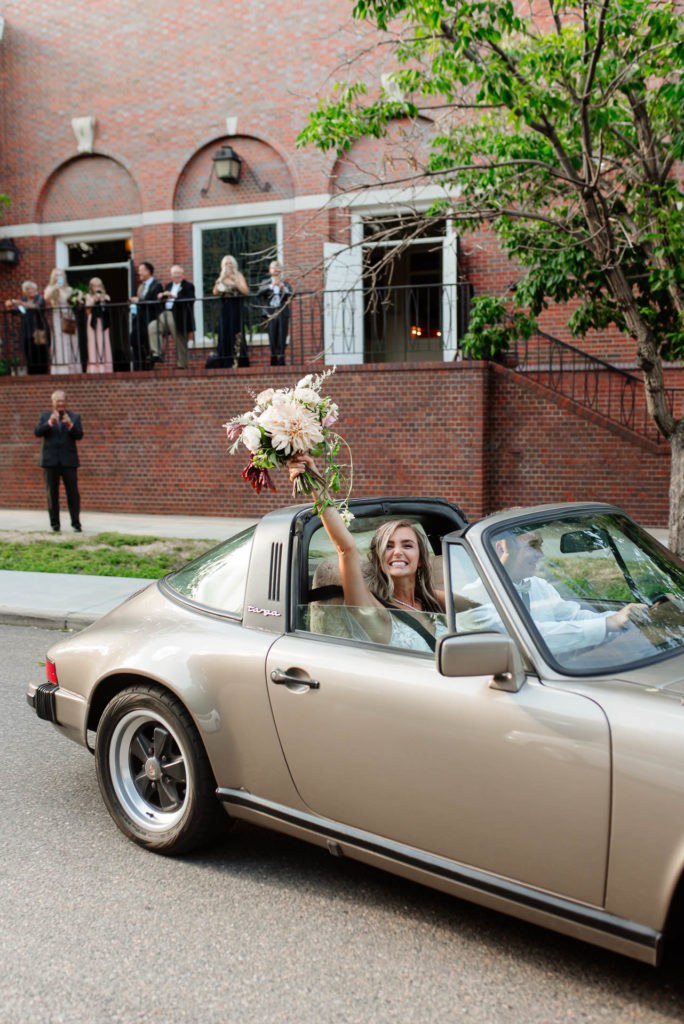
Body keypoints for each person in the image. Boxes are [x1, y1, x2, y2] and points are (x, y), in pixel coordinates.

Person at [288, 453, 446, 650]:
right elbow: (346, 549)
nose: (397, 552)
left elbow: (482, 604)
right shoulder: (375, 612)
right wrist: (315, 480)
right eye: (388, 547)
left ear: (421, 559)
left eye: (407, 545)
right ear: (380, 561)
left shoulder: (435, 601)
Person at [458, 528, 646, 656]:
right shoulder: (469, 600)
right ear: (502, 548)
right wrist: (608, 623)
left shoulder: (538, 585)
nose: (541, 554)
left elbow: (574, 617)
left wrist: (632, 619)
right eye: (533, 545)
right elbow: (533, 637)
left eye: (540, 545)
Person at [34, 389, 83, 533]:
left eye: (62, 401)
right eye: (57, 401)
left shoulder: (74, 417)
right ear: (53, 403)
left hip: (69, 461)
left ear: (65, 402)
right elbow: (37, 432)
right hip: (50, 462)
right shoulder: (44, 416)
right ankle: (55, 524)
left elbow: (79, 435)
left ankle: (76, 523)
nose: (60, 403)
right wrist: (50, 423)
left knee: (73, 493)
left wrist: (70, 425)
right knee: (52, 493)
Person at [148, 265, 196, 368]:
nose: (176, 276)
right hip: (165, 316)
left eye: (178, 274)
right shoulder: (168, 286)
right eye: (174, 274)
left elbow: (190, 299)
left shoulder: (188, 286)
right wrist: (161, 297)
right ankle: (157, 353)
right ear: (171, 275)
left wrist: (174, 296)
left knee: (179, 338)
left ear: (183, 275)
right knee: (152, 326)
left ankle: (182, 365)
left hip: (179, 317)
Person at [207, 255, 250, 369]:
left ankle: (238, 360)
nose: (228, 265)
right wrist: (221, 279)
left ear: (234, 264)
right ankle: (225, 360)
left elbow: (246, 291)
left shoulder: (238, 276)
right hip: (225, 307)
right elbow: (215, 292)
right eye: (226, 263)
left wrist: (235, 281)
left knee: (236, 331)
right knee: (224, 331)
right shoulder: (221, 277)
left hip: (236, 307)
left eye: (230, 263)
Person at [5, 282, 49, 374]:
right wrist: (9, 305)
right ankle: (32, 373)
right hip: (27, 331)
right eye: (29, 289)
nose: (31, 291)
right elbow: (16, 311)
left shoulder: (39, 298)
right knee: (29, 354)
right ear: (25, 291)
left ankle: (43, 373)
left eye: (33, 289)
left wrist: (20, 302)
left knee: (41, 353)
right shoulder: (24, 299)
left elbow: (36, 306)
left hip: (39, 330)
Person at [44, 268, 80, 375]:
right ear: (53, 277)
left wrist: (77, 300)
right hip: (58, 317)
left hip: (69, 316)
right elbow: (46, 297)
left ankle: (73, 367)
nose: (59, 277)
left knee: (72, 341)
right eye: (57, 275)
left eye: (61, 275)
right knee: (60, 341)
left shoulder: (69, 289)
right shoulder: (51, 288)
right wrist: (56, 287)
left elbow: (75, 302)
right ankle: (61, 368)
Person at [257, 261, 293, 366]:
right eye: (274, 267)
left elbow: (291, 294)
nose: (276, 269)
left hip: (282, 312)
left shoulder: (285, 283)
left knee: (282, 335)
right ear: (270, 270)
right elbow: (259, 293)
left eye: (278, 267)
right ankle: (273, 359)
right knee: (272, 336)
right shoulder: (266, 282)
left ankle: (281, 359)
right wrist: (272, 286)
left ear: (280, 270)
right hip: (270, 313)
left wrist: (283, 288)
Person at [129, 261, 163, 369]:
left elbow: (154, 302)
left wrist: (139, 300)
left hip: (150, 318)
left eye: (141, 270)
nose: (139, 273)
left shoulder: (157, 286)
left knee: (148, 343)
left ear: (148, 271)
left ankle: (149, 366)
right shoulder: (140, 287)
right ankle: (139, 364)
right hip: (139, 318)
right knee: (134, 340)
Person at [84, 277, 113, 373]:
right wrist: (94, 301)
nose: (96, 287)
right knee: (93, 342)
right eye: (94, 286)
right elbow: (87, 311)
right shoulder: (88, 296)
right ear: (91, 287)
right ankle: (94, 367)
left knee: (103, 342)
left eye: (98, 285)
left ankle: (104, 366)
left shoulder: (106, 296)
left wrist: (102, 300)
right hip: (93, 321)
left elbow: (108, 309)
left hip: (103, 321)